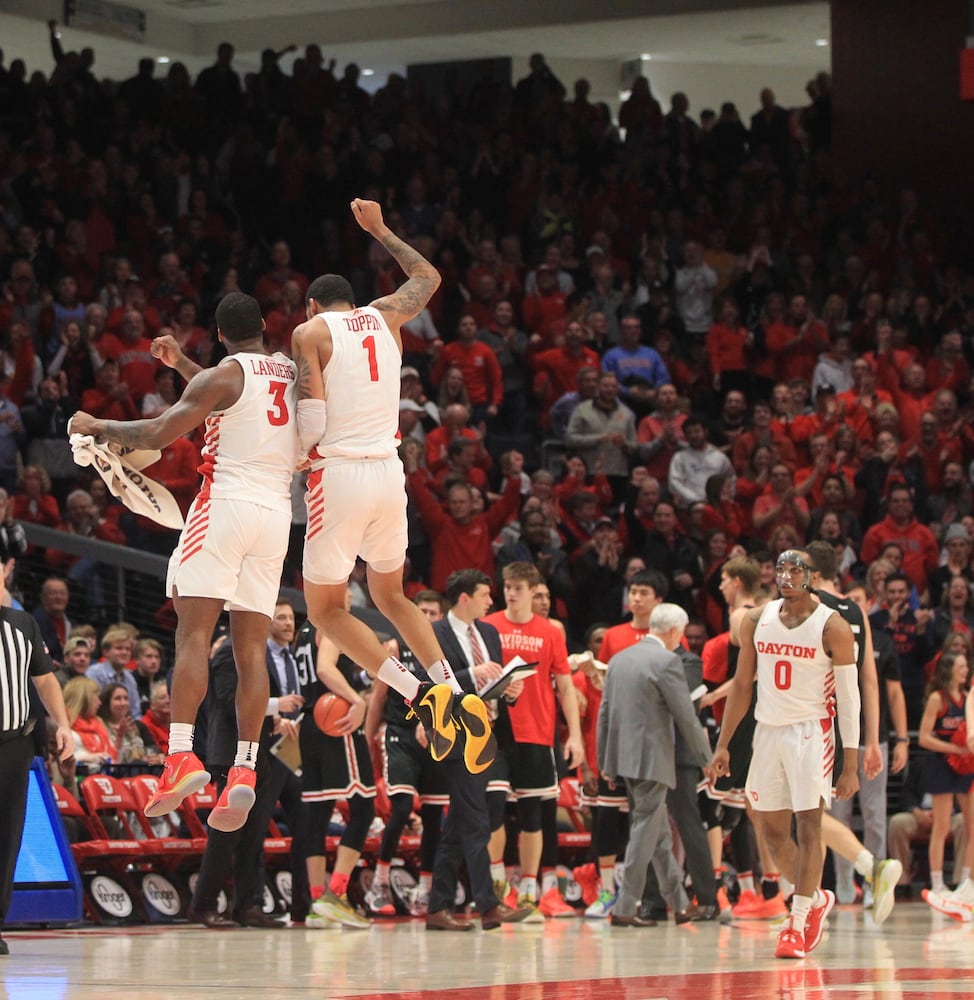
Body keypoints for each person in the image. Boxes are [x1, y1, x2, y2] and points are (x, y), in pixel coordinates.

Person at [69, 291, 300, 833]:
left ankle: (179, 758)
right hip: (274, 517)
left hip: (225, 505)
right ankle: (244, 768)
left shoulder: (220, 376)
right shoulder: (286, 370)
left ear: (219, 335)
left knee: (193, 635)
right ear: (263, 327)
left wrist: (97, 426)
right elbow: (236, 394)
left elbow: (155, 433)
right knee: (249, 650)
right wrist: (182, 366)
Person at [289, 198, 496, 776]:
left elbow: (310, 415)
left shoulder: (310, 332)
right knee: (394, 598)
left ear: (312, 305)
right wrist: (380, 229)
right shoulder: (385, 317)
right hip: (388, 473)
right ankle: (454, 691)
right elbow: (428, 277)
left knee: (326, 609)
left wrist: (301, 459)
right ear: (352, 302)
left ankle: (413, 690)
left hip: (342, 474)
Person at [707, 549, 861, 959]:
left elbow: (849, 698)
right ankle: (815, 898)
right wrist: (723, 745)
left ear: (812, 577)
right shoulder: (757, 619)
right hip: (768, 731)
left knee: (809, 824)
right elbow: (742, 686)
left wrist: (852, 763)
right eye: (781, 569)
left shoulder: (834, 626)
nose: (787, 576)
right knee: (772, 830)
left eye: (796, 570)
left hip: (812, 732)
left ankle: (797, 920)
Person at [425, 569, 533, 930]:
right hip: (458, 736)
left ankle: (438, 907)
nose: (492, 601)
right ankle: (488, 905)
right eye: (486, 595)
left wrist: (508, 690)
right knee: (476, 822)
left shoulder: (488, 632)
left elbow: (492, 681)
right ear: (465, 597)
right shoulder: (435, 633)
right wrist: (473, 673)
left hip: (492, 732)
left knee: (462, 824)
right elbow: (433, 684)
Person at [598, 603, 712, 927]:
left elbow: (604, 713)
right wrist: (707, 758)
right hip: (652, 759)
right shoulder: (667, 661)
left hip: (623, 758)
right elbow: (686, 716)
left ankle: (679, 903)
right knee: (644, 832)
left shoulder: (619, 659)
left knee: (657, 833)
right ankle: (625, 906)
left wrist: (605, 760)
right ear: (676, 631)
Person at [482, 562, 584, 917]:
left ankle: (528, 889)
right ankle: (496, 885)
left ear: (533, 590)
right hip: (493, 732)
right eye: (508, 586)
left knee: (532, 815)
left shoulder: (550, 631)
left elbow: (566, 685)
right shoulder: (488, 625)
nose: (511, 592)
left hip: (538, 731)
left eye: (519, 587)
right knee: (492, 809)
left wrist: (575, 737)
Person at [0, 575, 73, 956]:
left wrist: (64, 726)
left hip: (15, 743)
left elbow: (45, 681)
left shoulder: (23, 624)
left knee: (8, 836)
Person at [918, 651, 974, 914]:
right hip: (942, 764)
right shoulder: (937, 699)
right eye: (961, 666)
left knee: (971, 826)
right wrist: (952, 748)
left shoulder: (967, 699)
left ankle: (966, 883)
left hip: (966, 766)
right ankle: (938, 883)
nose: (966, 670)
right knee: (941, 827)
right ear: (949, 668)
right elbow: (924, 737)